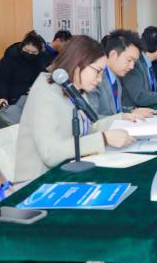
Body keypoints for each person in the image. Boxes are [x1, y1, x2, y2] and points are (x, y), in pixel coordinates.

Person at [14, 35, 135, 181]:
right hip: (39, 181)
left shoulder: (75, 88)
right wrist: (104, 139)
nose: (100, 79)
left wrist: (122, 118)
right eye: (97, 71)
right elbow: (50, 153)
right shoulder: (45, 92)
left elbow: (87, 129)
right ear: (78, 65)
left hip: (68, 172)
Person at [87, 30, 157, 120]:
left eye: (134, 62)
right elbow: (91, 119)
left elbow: (115, 110)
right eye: (129, 60)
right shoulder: (94, 80)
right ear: (113, 55)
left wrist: (133, 111)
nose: (132, 66)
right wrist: (122, 117)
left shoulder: (115, 78)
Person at [0, 30, 48, 124]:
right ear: (22, 46)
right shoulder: (10, 57)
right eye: (27, 51)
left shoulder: (40, 58)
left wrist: (37, 86)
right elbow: (1, 80)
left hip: (31, 96)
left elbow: (43, 75)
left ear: (39, 52)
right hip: (12, 97)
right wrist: (2, 97)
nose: (29, 54)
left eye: (33, 52)